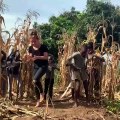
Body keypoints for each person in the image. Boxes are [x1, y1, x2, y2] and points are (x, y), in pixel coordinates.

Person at [27, 31, 48, 107]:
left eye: (34, 41)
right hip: (35, 66)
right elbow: (30, 58)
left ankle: (42, 94)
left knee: (35, 80)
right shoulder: (30, 48)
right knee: (35, 82)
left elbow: (46, 57)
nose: (33, 43)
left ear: (37, 39)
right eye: (31, 42)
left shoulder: (43, 47)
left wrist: (37, 57)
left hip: (43, 66)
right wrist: (28, 58)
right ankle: (38, 101)